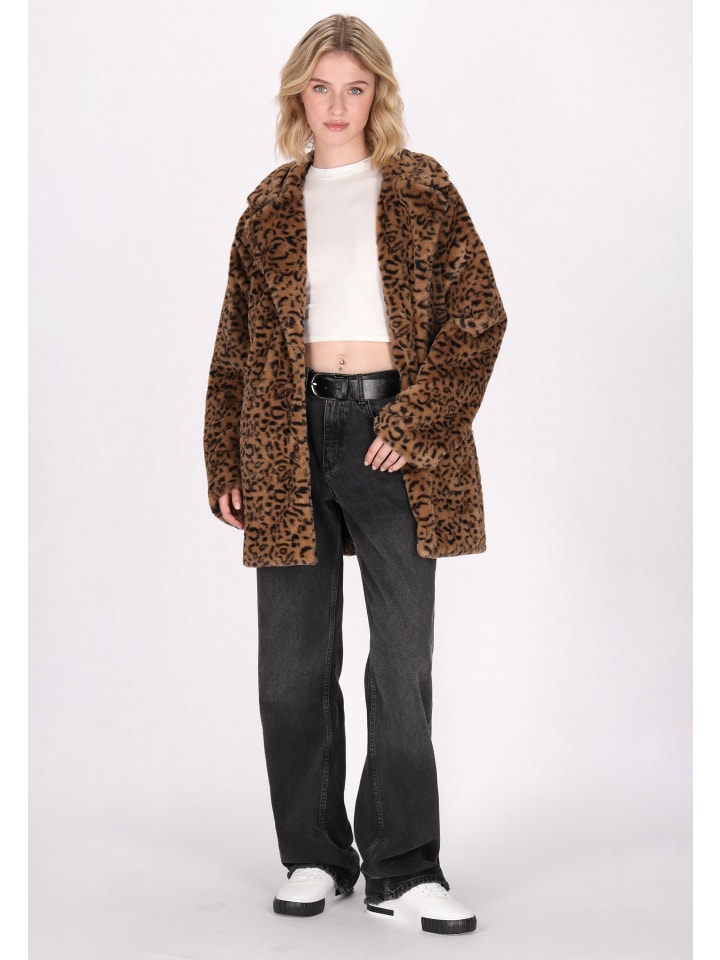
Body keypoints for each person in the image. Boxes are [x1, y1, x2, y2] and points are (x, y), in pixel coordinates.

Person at [204, 13, 507, 936]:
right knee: (292, 668)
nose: (337, 105)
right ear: (299, 95)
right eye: (321, 87)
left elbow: (479, 318)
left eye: (356, 87)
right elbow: (234, 346)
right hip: (283, 437)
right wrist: (225, 457)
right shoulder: (267, 205)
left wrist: (414, 421)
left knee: (400, 664)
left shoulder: (421, 187)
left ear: (378, 95)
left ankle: (404, 868)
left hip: (393, 436)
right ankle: (315, 854)